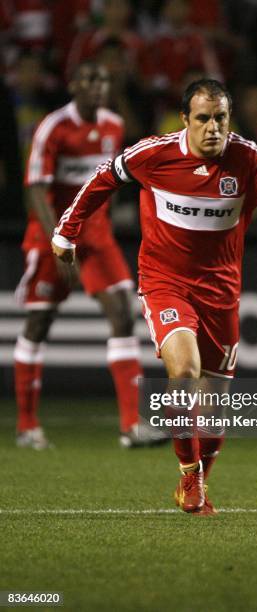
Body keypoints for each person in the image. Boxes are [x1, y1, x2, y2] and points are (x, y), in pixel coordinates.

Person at [51, 78, 257, 515]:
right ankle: (189, 476)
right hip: (164, 281)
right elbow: (101, 179)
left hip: (221, 292)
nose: (213, 128)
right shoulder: (154, 153)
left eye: (221, 119)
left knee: (213, 409)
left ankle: (199, 479)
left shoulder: (248, 159)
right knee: (184, 369)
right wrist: (66, 232)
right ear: (186, 120)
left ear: (231, 120)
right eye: (204, 119)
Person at [14, 60, 166, 450]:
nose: (97, 85)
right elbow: (35, 189)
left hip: (97, 237)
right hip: (53, 237)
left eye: (102, 78)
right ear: (73, 85)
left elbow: (109, 183)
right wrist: (59, 242)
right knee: (40, 322)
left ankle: (131, 426)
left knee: (122, 312)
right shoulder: (53, 128)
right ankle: (27, 424)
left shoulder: (113, 126)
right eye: (90, 79)